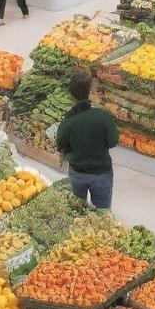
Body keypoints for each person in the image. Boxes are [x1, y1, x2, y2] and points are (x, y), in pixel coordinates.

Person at [55, 73, 120, 210]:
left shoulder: (68, 123)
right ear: (89, 92)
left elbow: (61, 146)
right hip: (102, 173)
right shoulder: (103, 117)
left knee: (77, 210)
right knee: (103, 212)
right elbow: (113, 140)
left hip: (77, 173)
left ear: (72, 96)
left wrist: (72, 154)